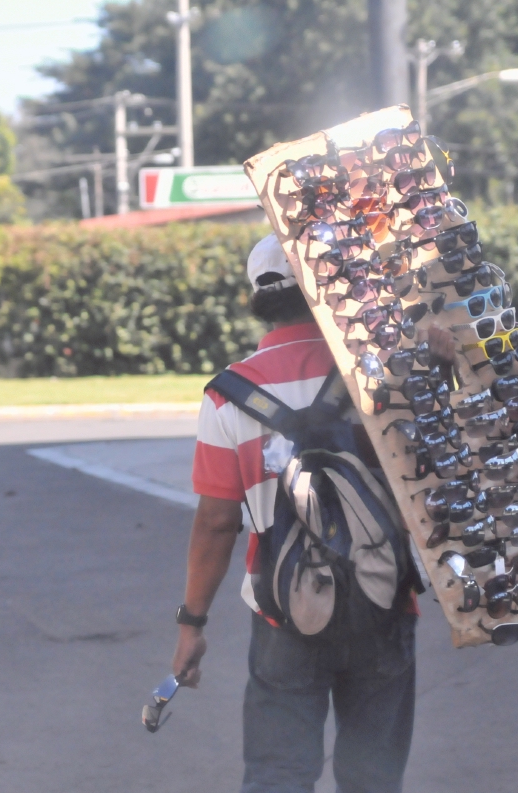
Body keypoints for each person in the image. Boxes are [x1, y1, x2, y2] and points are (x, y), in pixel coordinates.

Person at [172, 234, 451, 793]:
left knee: (278, 774)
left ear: (258, 297)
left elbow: (216, 523)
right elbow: (445, 459)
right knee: (373, 778)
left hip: (282, 612)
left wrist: (191, 625)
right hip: (384, 598)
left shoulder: (228, 392)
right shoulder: (380, 365)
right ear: (327, 286)